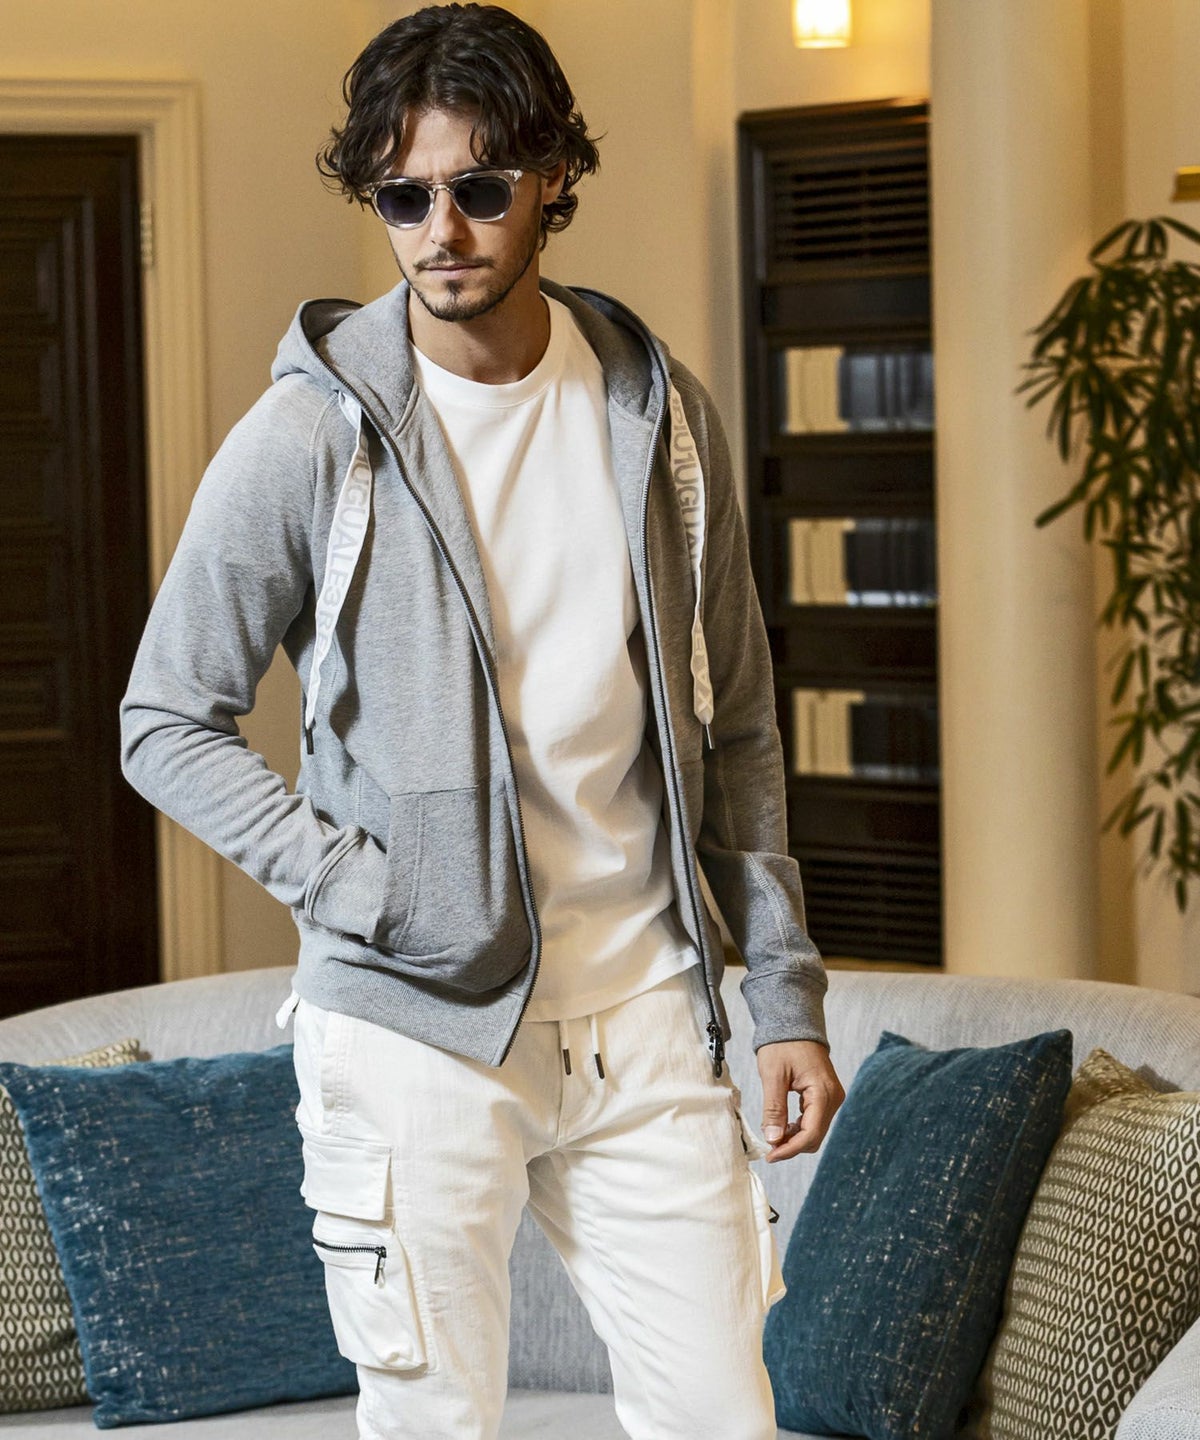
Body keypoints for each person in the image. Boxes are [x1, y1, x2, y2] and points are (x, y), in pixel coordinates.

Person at [118, 5, 844, 1437]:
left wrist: (783, 998)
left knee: (724, 1417)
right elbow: (165, 719)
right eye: (403, 197)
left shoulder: (658, 416)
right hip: (413, 1035)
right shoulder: (312, 434)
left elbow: (740, 727)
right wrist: (358, 887)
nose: (440, 231)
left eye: (479, 188)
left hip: (648, 1018)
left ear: (553, 177)